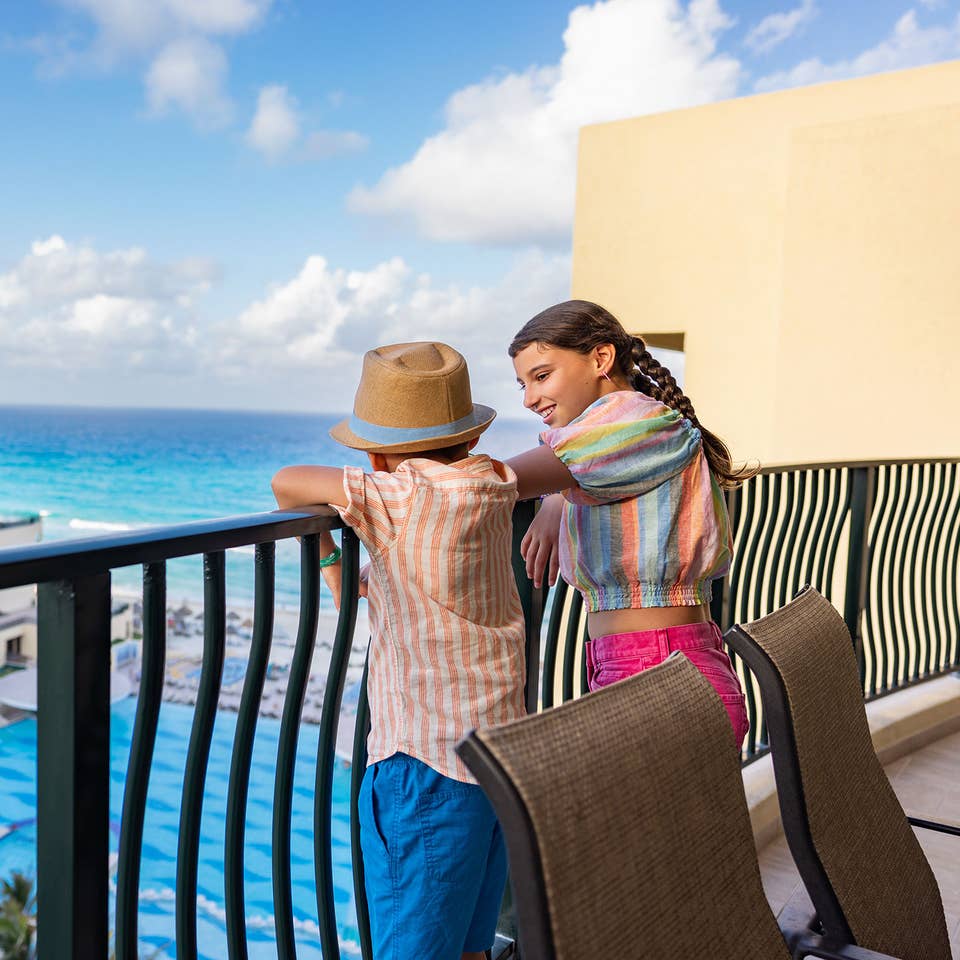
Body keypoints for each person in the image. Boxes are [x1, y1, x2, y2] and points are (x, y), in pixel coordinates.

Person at [272, 341, 525, 960]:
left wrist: (335, 566)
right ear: (467, 438)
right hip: (497, 753)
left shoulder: (399, 497)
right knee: (469, 944)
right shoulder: (492, 481)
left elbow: (286, 483)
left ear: (379, 455)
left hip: (423, 759)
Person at [506, 299, 751, 747]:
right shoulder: (630, 430)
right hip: (651, 658)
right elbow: (584, 463)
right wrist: (559, 496)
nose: (529, 399)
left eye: (541, 376)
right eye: (521, 384)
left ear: (601, 358)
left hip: (656, 664)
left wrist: (357, 490)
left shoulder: (640, 424)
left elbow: (498, 481)